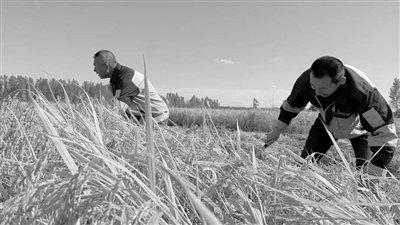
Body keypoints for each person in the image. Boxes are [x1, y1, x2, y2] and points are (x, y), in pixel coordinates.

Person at [262, 56, 398, 176]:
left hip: (359, 131)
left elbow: (385, 136)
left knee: (365, 175)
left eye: (323, 89)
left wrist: (373, 179)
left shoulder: (363, 93)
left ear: (341, 81)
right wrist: (277, 131)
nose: (316, 92)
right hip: (325, 126)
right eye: (313, 86)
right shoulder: (307, 81)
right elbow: (291, 107)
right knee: (304, 166)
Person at [93, 50, 169, 124]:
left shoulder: (125, 79)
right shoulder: (116, 78)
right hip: (142, 116)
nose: (94, 70)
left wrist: (98, 123)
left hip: (157, 116)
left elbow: (117, 111)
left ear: (106, 67)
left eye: (95, 66)